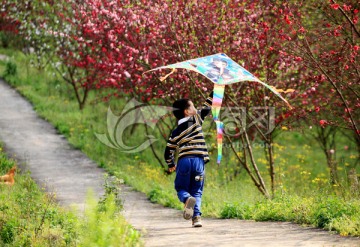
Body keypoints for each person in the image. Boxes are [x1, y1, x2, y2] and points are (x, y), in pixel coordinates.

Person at [164, 91, 213, 227]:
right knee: (197, 190)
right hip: (198, 161)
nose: (195, 109)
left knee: (181, 188)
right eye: (192, 107)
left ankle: (186, 198)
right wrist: (216, 89)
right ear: (187, 112)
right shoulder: (196, 120)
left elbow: (168, 151)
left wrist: (170, 164)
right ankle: (196, 218)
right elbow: (207, 105)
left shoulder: (175, 132)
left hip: (184, 162)